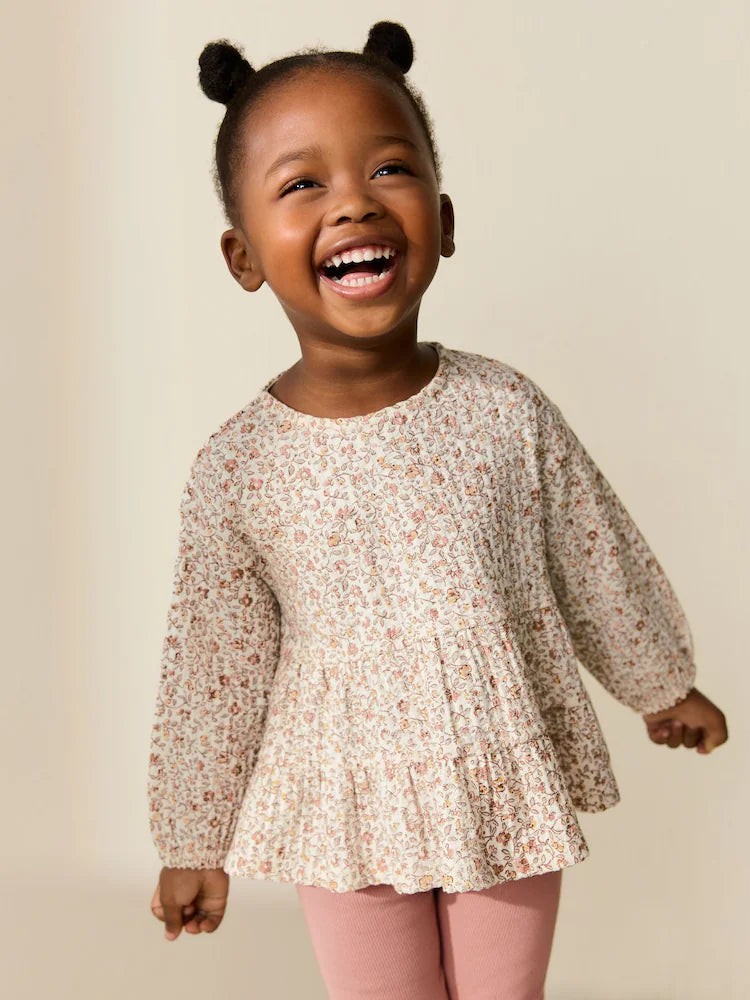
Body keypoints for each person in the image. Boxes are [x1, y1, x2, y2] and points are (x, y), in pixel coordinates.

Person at [146, 20, 728, 999]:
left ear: (444, 221)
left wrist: (660, 683)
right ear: (243, 255)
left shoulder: (504, 411)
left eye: (389, 170)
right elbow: (215, 666)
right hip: (344, 802)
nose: (354, 203)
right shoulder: (237, 468)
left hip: (498, 776)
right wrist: (192, 839)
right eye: (303, 184)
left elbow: (593, 555)